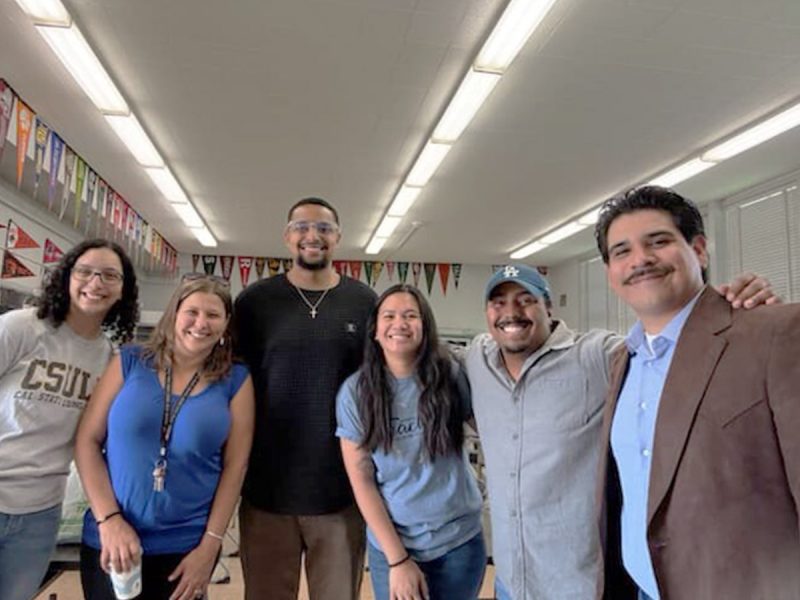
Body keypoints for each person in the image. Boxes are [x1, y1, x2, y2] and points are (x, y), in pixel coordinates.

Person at [465, 261, 777, 600]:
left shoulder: (594, 355)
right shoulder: (477, 360)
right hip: (510, 582)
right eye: (499, 303)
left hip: (577, 585)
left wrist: (732, 314)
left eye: (526, 299)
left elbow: (668, 348)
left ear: (548, 306)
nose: (511, 312)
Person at [593, 185, 799, 600]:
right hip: (642, 588)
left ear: (699, 250)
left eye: (659, 241)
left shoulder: (774, 332)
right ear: (610, 275)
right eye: (622, 251)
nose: (640, 260)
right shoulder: (622, 361)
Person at [75, 275, 254, 600]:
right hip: (113, 540)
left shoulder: (236, 380)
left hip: (187, 547)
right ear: (174, 314)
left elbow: (235, 467)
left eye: (213, 315)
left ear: (226, 324)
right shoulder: (130, 361)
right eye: (192, 312)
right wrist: (110, 520)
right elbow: (86, 441)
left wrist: (211, 545)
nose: (201, 323)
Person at [234, 197, 377, 600]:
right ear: (287, 236)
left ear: (338, 238)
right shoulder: (254, 302)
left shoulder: (364, 302)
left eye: (324, 228)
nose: (312, 236)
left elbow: (379, 387)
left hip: (341, 493)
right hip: (266, 492)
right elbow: (231, 386)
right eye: (301, 227)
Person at [0, 238, 138, 600]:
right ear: (66, 277)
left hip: (40, 511)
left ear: (123, 290)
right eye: (86, 272)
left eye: (110, 275)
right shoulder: (22, 327)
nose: (96, 283)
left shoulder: (110, 359)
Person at [337, 284, 486, 600]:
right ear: (375, 330)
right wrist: (398, 560)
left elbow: (492, 431)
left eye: (410, 315)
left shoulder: (450, 375)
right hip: (395, 546)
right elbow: (362, 480)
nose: (399, 324)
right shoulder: (355, 393)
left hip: (459, 542)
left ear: (425, 326)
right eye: (389, 316)